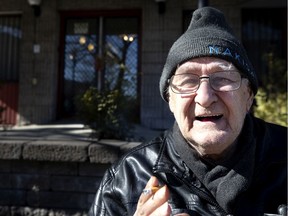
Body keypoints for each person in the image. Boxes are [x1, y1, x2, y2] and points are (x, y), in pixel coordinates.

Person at [88, 6, 287, 216]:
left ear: (248, 96)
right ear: (170, 101)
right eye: (188, 81)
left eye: (222, 78)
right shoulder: (126, 178)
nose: (205, 97)